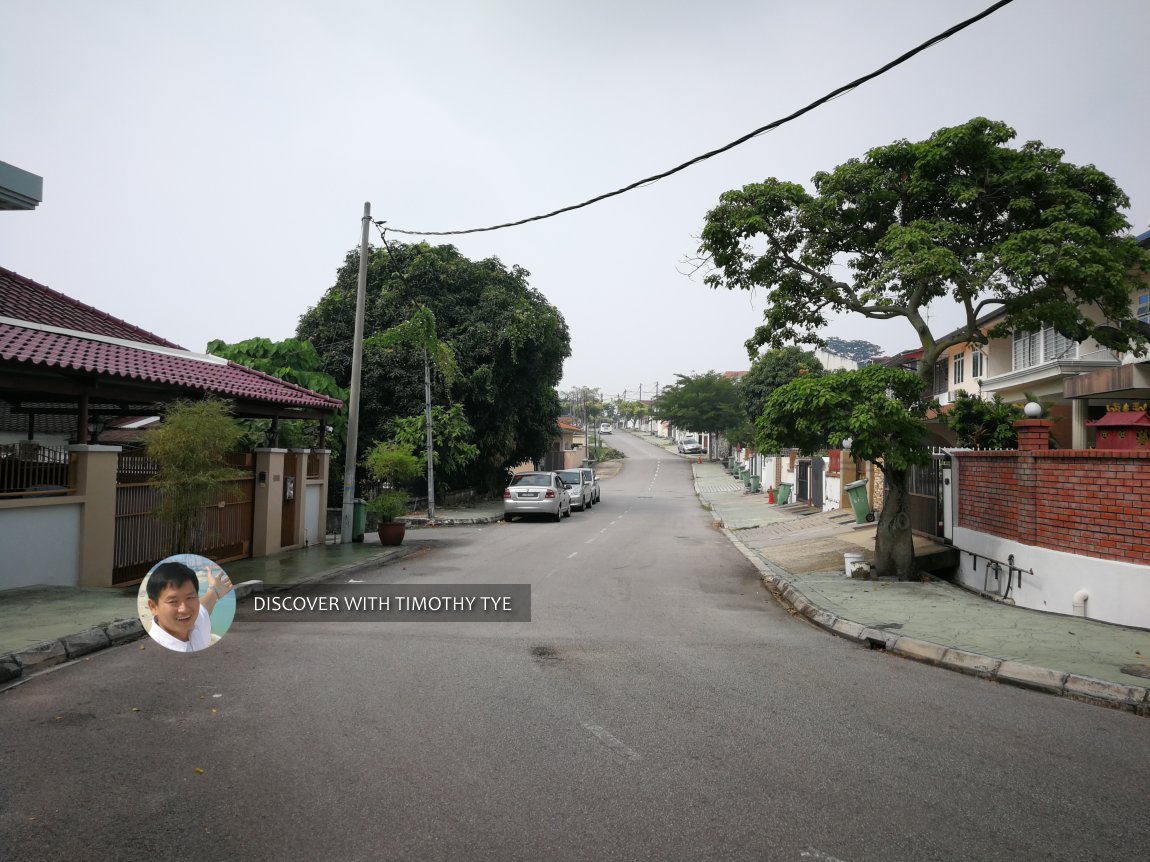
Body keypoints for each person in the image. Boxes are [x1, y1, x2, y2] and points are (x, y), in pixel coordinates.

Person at [145, 560, 233, 653]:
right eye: (173, 601)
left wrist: (214, 590)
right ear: (153, 607)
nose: (184, 609)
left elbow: (205, 605)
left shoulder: (197, 622)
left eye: (190, 598)